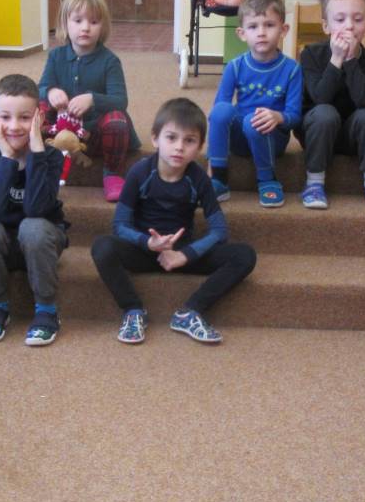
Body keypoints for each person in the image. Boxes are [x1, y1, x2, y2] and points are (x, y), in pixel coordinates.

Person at [91, 98, 257, 345]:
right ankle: (133, 310)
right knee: (102, 247)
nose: (179, 147)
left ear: (199, 147)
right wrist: (148, 243)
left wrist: (185, 255)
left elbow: (219, 230)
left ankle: (190, 312)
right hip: (144, 250)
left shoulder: (199, 178)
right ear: (155, 139)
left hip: (182, 253)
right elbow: (120, 225)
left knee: (244, 255)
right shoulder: (140, 172)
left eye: (189, 141)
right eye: (171, 138)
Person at [0, 73, 69, 346]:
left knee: (32, 227)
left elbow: (37, 208)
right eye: (5, 117)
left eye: (25, 118)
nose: (14, 126)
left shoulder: (51, 157)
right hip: (1, 245)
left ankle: (46, 309)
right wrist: (7, 158)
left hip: (41, 242)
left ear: (39, 118)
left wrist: (36, 151)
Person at [296, 0, 365, 211]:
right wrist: (336, 59)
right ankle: (314, 182)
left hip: (353, 136)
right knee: (325, 112)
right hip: (316, 131)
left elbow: (362, 100)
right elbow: (320, 98)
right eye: (340, 19)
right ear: (326, 26)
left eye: (357, 19)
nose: (349, 26)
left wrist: (349, 59)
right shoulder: (311, 54)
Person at [39, 0, 138, 202]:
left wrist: (93, 99)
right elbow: (41, 87)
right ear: (65, 23)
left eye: (93, 22)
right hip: (60, 134)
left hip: (95, 136)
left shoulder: (110, 61)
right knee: (36, 108)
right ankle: (37, 162)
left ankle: (113, 173)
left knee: (117, 121)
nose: (85, 28)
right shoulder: (56, 56)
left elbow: (120, 101)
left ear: (103, 26)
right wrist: (51, 91)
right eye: (78, 20)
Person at [207, 0, 303, 208]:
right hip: (239, 139)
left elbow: (295, 116)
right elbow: (218, 113)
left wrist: (278, 117)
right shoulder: (234, 66)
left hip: (272, 140)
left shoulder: (292, 69)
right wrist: (211, 159)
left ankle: (267, 179)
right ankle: (218, 178)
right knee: (222, 110)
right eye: (253, 26)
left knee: (253, 121)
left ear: (283, 30)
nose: (261, 32)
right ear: (242, 33)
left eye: (269, 25)